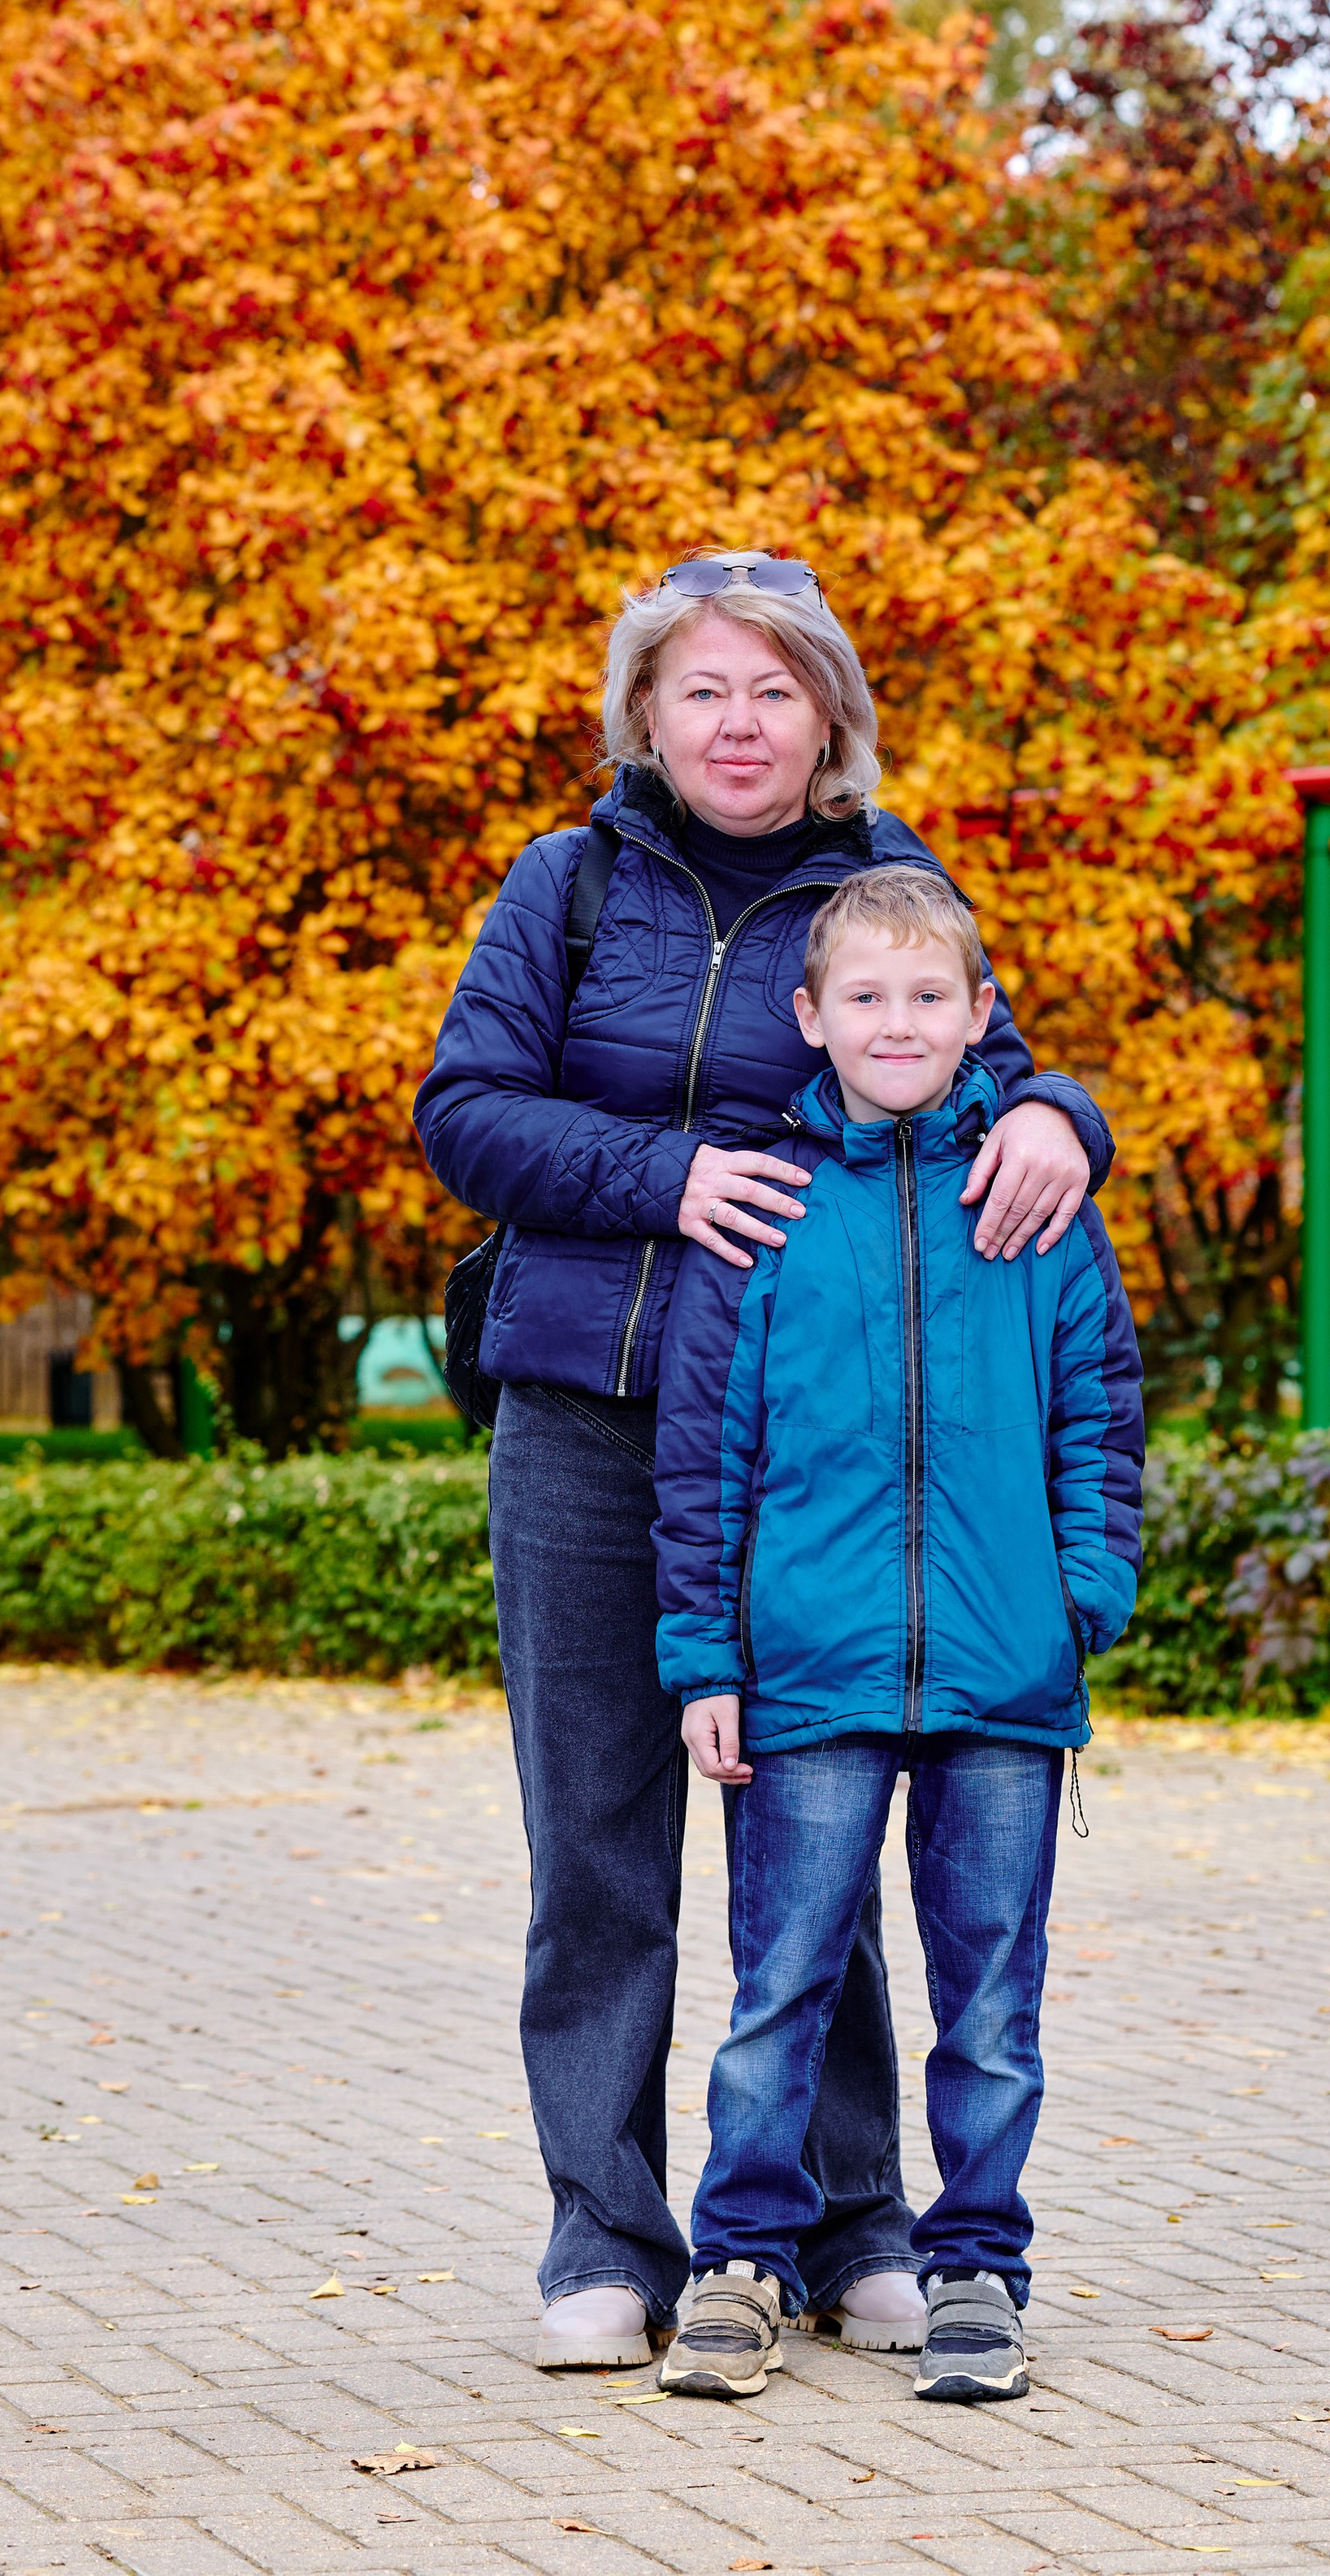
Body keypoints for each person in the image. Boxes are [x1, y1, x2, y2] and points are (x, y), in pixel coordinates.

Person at [413, 552, 1118, 2368]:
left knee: (824, 1824)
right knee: (598, 1851)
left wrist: (1060, 1115)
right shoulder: (563, 889)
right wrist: (666, 1179)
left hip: (817, 1445)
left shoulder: (882, 888)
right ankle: (605, 2243)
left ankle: (849, 2223)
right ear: (645, 713)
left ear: (828, 719)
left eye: (774, 691)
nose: (738, 724)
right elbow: (463, 1114)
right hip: (585, 1417)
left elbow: (995, 1070)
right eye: (702, 690)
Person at [650, 863, 1146, 2405]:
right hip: (805, 1670)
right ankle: (740, 2262)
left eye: (932, 995)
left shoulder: (1037, 1198)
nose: (899, 1020)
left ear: (982, 1014)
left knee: (993, 1997)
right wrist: (705, 1659)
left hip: (1008, 1675)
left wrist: (1082, 1599)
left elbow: (1101, 1417)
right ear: (809, 1018)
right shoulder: (768, 1211)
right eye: (865, 996)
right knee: (780, 1981)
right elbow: (702, 1455)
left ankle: (980, 2272)